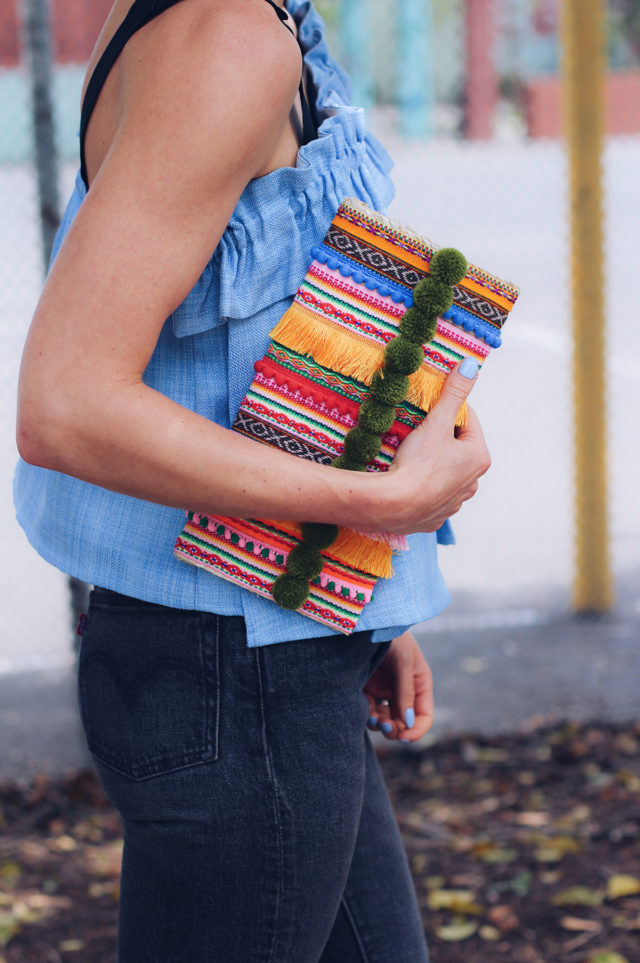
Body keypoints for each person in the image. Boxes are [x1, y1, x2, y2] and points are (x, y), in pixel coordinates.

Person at [14, 0, 490, 959]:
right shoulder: (225, 40)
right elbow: (64, 405)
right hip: (234, 673)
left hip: (281, 640)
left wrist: (365, 599)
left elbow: (238, 350)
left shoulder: (260, 18)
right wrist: (380, 504)